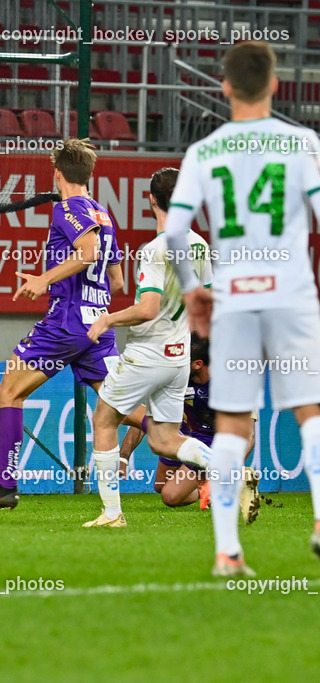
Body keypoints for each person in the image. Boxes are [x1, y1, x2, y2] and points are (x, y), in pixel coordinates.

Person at [164, 41, 320, 577]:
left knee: (229, 425)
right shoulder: (303, 143)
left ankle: (227, 552)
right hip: (293, 293)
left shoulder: (203, 154)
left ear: (225, 87)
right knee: (310, 410)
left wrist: (191, 290)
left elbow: (176, 230)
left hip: (235, 297)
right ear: (275, 85)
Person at [0, 138, 129, 509]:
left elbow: (87, 254)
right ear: (89, 173)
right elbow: (117, 282)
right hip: (98, 323)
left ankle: (5, 485)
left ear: (57, 173)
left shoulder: (67, 209)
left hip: (66, 322)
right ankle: (195, 456)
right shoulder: (105, 215)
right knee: (125, 405)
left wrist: (45, 279)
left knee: (9, 392)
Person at [81, 167, 215, 528]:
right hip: (179, 357)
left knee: (104, 419)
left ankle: (111, 514)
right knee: (164, 439)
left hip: (149, 353)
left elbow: (148, 309)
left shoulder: (155, 250)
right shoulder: (199, 244)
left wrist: (108, 319)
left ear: (151, 200)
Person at [118, 335, 260, 521]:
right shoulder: (174, 379)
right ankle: (208, 492)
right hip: (183, 435)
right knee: (161, 485)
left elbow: (248, 434)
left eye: (182, 360)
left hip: (214, 441)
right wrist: (124, 456)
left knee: (170, 496)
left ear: (198, 364)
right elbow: (149, 420)